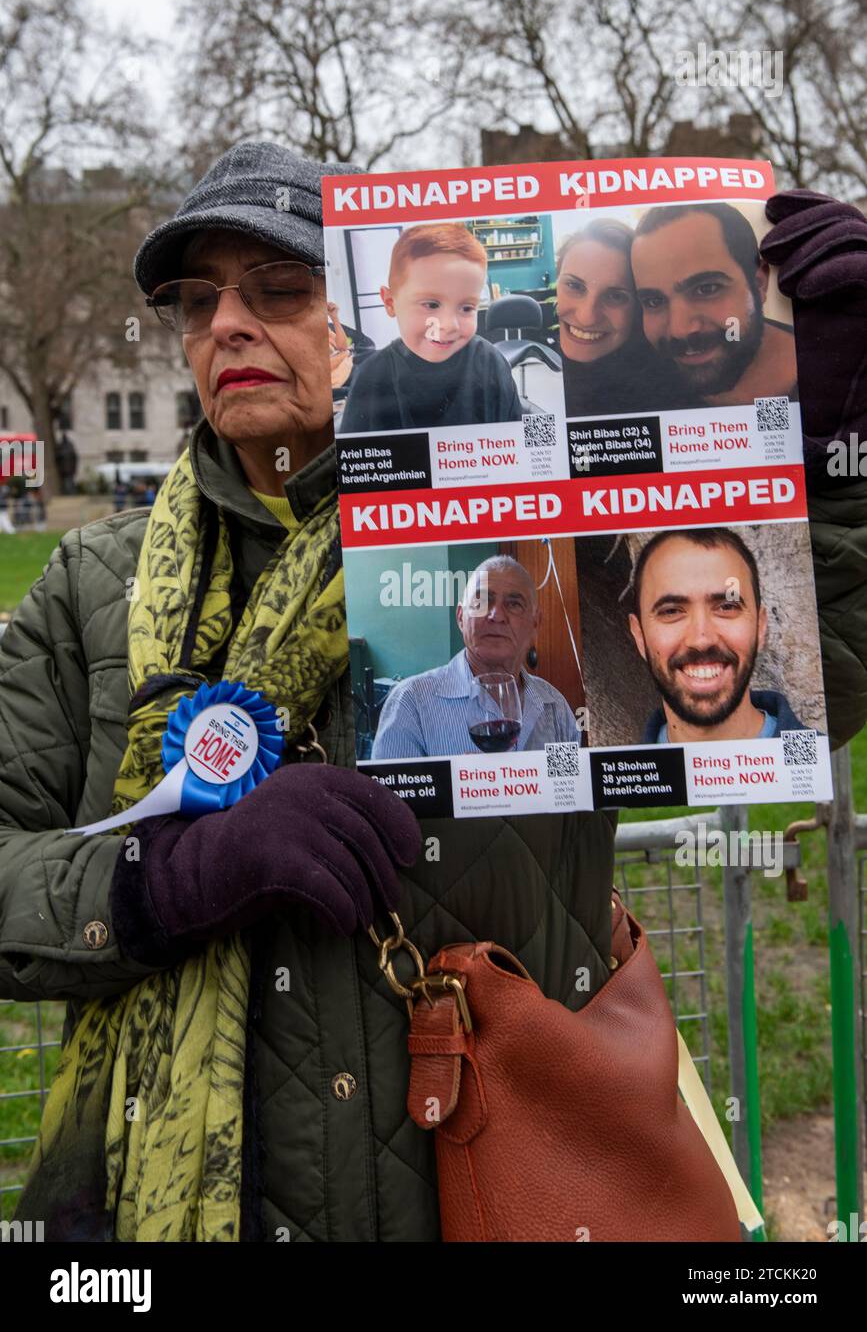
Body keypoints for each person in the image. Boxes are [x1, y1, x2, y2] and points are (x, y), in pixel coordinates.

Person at [1, 145, 866, 1245]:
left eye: (276, 290)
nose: (223, 324)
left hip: (482, 1178)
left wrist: (840, 452)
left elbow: (807, 661)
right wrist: (168, 876)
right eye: (195, 300)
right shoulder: (93, 586)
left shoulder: (546, 514)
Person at [372, 556, 581, 758]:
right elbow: (387, 795)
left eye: (514, 604)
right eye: (482, 601)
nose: (496, 615)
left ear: (535, 623)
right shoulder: (410, 704)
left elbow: (567, 789)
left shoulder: (556, 706)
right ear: (461, 618)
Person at [628, 527, 815, 743]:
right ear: (639, 636)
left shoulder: (818, 771)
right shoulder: (604, 775)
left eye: (726, 607)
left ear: (760, 627)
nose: (702, 640)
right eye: (671, 611)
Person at [338, 223, 523, 433]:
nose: (449, 326)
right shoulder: (372, 377)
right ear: (391, 303)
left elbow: (515, 439)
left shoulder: (491, 363)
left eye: (466, 307)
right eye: (432, 305)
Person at [631, 202, 798, 407]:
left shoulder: (832, 368)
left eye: (706, 289)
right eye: (653, 301)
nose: (680, 330)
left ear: (759, 284)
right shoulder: (637, 396)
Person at [555, 219, 697, 415]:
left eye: (615, 296)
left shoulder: (666, 396)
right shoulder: (538, 374)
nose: (587, 317)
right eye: (574, 286)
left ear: (638, 310)